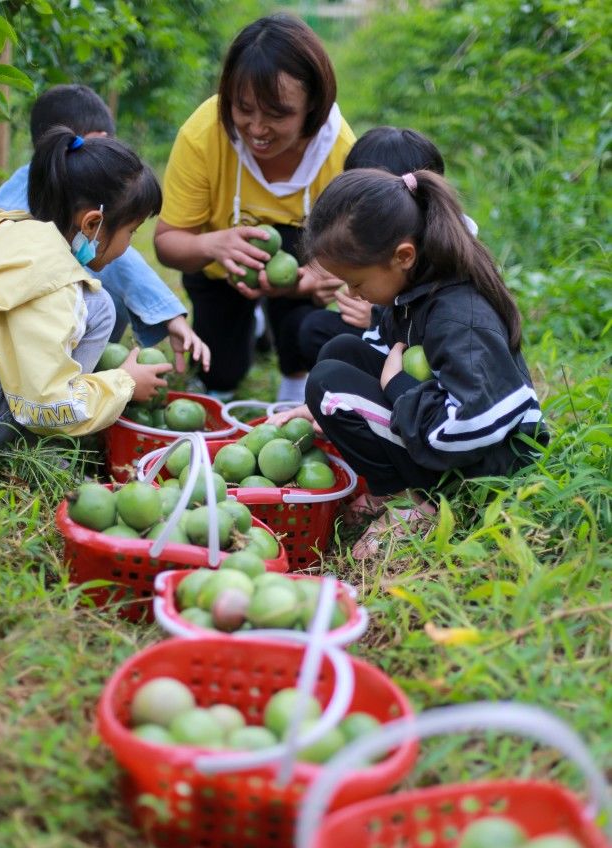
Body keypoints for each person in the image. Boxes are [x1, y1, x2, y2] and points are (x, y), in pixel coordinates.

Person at [283, 168, 549, 558]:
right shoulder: (413, 289)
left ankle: (417, 502)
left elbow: (477, 423)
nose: (351, 293)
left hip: (485, 462)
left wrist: (399, 389)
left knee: (328, 382)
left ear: (403, 256)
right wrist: (314, 410)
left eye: (356, 282)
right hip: (442, 420)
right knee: (340, 352)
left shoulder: (459, 318)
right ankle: (394, 485)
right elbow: (375, 348)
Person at [0, 126, 190, 447]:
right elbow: (43, 405)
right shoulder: (54, 285)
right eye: (131, 231)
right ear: (92, 224)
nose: (129, 244)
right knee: (50, 406)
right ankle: (36, 443)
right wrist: (124, 384)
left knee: (99, 304)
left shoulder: (13, 229)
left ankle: (75, 397)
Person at [154, 13, 355, 402]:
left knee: (303, 324)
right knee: (222, 375)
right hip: (218, 274)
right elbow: (167, 242)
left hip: (297, 279)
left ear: (312, 104)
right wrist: (212, 246)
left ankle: (294, 376)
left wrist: (319, 273)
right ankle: (251, 326)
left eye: (277, 114)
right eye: (243, 108)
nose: (257, 128)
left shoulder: (341, 152)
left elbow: (362, 253)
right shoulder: (203, 135)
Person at [0, 84, 206, 373]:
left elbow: (116, 259)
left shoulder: (51, 193)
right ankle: (85, 377)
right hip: (10, 365)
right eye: (132, 231)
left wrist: (169, 317)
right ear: (99, 140)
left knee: (107, 284)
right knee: (103, 301)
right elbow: (45, 399)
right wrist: (119, 383)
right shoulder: (24, 224)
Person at [297, 126, 478, 367]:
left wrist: (375, 319)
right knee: (319, 332)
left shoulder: (449, 261)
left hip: (422, 359)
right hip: (392, 338)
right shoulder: (383, 246)